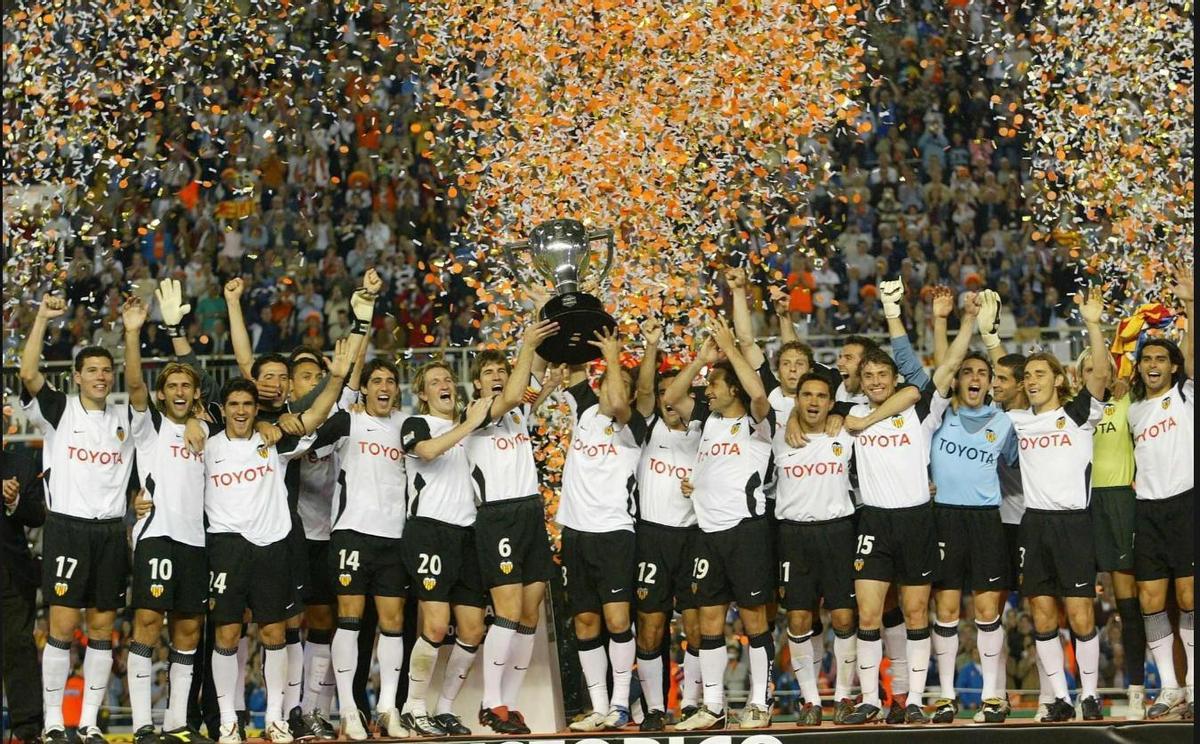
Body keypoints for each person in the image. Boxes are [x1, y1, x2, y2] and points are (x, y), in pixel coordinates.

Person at [202, 336, 356, 744]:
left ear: (256, 410)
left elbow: (314, 417)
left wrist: (337, 377)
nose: (240, 411)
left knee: (275, 634)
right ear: (224, 410)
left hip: (272, 548)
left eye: (247, 405)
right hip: (226, 548)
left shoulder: (271, 442)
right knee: (227, 635)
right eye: (234, 404)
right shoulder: (206, 446)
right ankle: (227, 722)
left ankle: (275, 718)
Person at [838, 312, 967, 725]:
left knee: (915, 614)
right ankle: (872, 700)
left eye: (882, 374)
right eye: (868, 374)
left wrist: (966, 324)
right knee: (868, 616)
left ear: (895, 378)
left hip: (915, 521)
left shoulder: (919, 409)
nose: (875, 380)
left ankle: (913, 699)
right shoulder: (846, 409)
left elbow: (941, 373)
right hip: (873, 522)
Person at [20, 294, 137, 744]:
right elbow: (29, 373)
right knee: (62, 628)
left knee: (104, 631)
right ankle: (53, 722)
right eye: (92, 370)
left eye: (106, 370)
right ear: (77, 377)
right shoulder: (59, 410)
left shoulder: (126, 418)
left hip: (110, 532)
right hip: (67, 528)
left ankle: (89, 722)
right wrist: (43, 319)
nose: (101, 376)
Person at [663, 318, 776, 731]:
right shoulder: (707, 420)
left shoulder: (757, 424)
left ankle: (760, 704)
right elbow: (673, 397)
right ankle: (712, 708)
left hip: (746, 531)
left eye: (715, 384)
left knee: (754, 620)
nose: (707, 390)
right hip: (707, 534)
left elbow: (760, 393)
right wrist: (702, 361)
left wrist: (731, 347)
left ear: (733, 390)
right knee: (708, 620)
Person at [1007, 285, 1109, 722]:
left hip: (1074, 523)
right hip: (1035, 524)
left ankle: (1090, 696)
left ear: (1058, 379)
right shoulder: (1016, 420)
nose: (1031, 381)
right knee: (1042, 614)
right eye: (1027, 375)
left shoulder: (1077, 413)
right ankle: (1060, 700)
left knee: (1082, 613)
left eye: (1039, 374)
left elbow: (1101, 375)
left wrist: (1091, 322)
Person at [120, 295, 214, 744]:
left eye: (186, 387)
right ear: (163, 394)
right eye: (171, 386)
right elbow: (135, 384)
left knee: (189, 628)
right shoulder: (150, 426)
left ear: (195, 394)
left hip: (195, 541)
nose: (179, 392)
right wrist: (134, 331)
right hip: (156, 534)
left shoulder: (207, 428)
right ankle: (141, 725)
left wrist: (198, 417)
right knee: (147, 624)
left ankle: (176, 721)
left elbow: (218, 392)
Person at [464, 320, 560, 735]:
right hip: (497, 516)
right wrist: (525, 346)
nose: (498, 376)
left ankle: (512, 704)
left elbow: (532, 380)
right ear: (476, 383)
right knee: (505, 611)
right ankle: (491, 702)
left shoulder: (519, 410)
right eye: (489, 372)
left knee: (529, 610)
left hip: (529, 512)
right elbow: (521, 387)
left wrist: (542, 311)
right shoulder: (478, 412)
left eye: (502, 370)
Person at [307, 357, 407, 739]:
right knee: (349, 620)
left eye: (390, 381)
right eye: (376, 380)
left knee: (393, 624)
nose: (384, 386)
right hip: (351, 533)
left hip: (394, 536)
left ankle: (386, 709)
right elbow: (307, 444)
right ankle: (348, 709)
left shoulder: (405, 425)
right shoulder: (347, 420)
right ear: (363, 388)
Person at [556, 328, 647, 733]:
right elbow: (571, 362)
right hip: (576, 531)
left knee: (616, 621)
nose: (612, 391)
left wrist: (613, 357)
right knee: (585, 623)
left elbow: (616, 400)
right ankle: (597, 706)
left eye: (620, 385)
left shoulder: (634, 425)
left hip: (614, 532)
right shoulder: (585, 410)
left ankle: (620, 702)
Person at [397, 362, 493, 737]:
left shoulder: (473, 431)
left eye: (449, 379)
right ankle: (414, 706)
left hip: (468, 534)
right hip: (428, 531)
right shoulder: (416, 424)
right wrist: (468, 424)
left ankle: (445, 708)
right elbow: (428, 452)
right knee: (436, 624)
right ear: (422, 393)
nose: (444, 385)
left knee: (472, 630)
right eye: (434, 381)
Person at [772, 372, 862, 726]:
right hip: (793, 535)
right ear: (796, 400)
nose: (813, 402)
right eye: (806, 395)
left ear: (830, 401)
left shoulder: (845, 430)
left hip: (837, 532)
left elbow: (874, 401)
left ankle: (843, 697)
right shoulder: (779, 435)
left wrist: (841, 411)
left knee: (842, 618)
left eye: (821, 396)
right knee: (798, 619)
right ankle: (810, 701)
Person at [1127, 267, 1194, 720]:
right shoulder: (1132, 411)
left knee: (1190, 599)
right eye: (1146, 359)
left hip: (1186, 504)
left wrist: (1191, 304)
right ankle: (1170, 689)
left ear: (1173, 366)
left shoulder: (1187, 395)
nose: (1152, 364)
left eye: (1160, 359)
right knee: (1151, 601)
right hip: (1146, 511)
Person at [629, 318, 703, 732]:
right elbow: (641, 391)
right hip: (652, 536)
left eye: (676, 395)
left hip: (694, 538)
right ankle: (655, 708)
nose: (668, 401)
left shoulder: (703, 433)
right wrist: (652, 347)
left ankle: (692, 705)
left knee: (697, 625)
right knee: (652, 626)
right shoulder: (648, 429)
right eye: (662, 395)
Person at [1073, 342, 1145, 719]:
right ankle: (1083, 693)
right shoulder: (1071, 412)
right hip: (1080, 507)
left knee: (1128, 603)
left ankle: (1136, 688)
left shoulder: (1126, 401)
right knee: (1078, 605)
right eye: (1087, 371)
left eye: (1099, 370)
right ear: (1077, 377)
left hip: (1119, 503)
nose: (1095, 376)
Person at [2, 418, 47, 744]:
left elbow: (37, 514)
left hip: (11, 571)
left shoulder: (21, 463)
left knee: (18, 647)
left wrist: (13, 502)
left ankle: (26, 731)